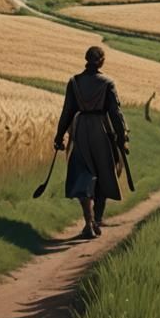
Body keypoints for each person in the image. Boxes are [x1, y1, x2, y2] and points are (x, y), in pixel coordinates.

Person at [53, 45, 129, 238]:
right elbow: (116, 113)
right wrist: (122, 138)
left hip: (81, 130)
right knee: (104, 173)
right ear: (102, 61)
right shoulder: (107, 83)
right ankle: (96, 220)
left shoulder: (74, 82)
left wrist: (59, 135)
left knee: (82, 173)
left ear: (86, 59)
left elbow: (67, 112)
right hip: (102, 131)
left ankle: (88, 221)